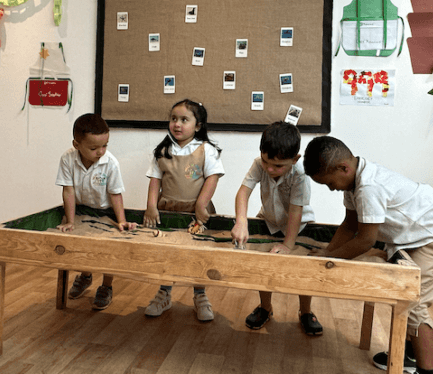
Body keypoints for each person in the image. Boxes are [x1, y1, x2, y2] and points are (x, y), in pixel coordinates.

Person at [303, 136, 433, 374]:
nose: (331, 188)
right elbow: (350, 225)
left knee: (413, 302)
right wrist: (328, 252)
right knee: (403, 295)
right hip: (413, 239)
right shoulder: (353, 182)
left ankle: (427, 371)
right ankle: (409, 355)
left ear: (343, 168)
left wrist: (332, 260)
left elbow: (366, 240)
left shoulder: (369, 188)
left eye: (329, 183)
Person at [230, 121, 322, 336]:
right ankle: (265, 307)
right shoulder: (258, 164)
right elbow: (243, 192)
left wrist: (288, 245)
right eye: (266, 161)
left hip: (299, 225)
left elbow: (296, 211)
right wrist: (241, 221)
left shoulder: (300, 174)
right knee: (264, 266)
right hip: (269, 220)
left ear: (295, 159)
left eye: (278, 166)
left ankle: (305, 311)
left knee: (302, 270)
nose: (269, 169)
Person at [143, 99, 224, 321]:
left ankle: (200, 295)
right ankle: (164, 293)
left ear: (198, 126)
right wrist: (151, 206)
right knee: (167, 252)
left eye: (184, 120)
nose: (177, 124)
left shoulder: (206, 150)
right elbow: (155, 180)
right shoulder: (163, 151)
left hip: (196, 212)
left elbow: (213, 178)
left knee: (197, 253)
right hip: (168, 210)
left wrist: (201, 204)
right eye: (173, 119)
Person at [55, 113, 136, 311]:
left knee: (108, 250)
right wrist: (70, 221)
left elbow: (115, 194)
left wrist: (121, 220)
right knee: (82, 246)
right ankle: (85, 276)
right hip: (82, 210)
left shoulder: (110, 163)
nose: (100, 152)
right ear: (76, 144)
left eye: (105, 145)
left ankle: (106, 286)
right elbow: (68, 191)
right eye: (93, 148)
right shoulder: (67, 158)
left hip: (105, 211)